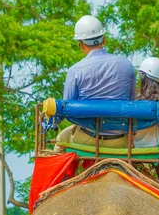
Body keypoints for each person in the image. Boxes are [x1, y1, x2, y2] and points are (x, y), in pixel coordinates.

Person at [54, 15, 135, 151]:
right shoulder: (126, 65)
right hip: (119, 140)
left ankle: (62, 173)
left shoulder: (75, 70)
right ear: (104, 40)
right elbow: (131, 101)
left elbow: (68, 110)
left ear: (80, 44)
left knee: (61, 139)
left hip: (87, 139)